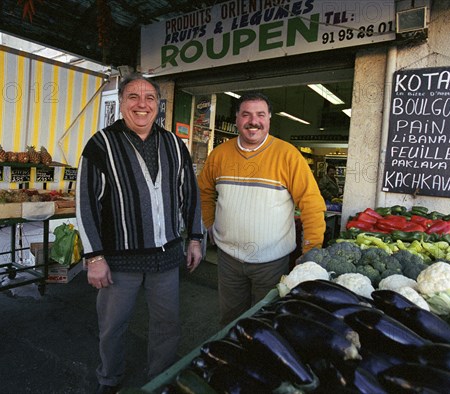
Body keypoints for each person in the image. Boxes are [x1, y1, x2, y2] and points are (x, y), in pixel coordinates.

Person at [76, 73, 204, 394]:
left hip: (167, 256)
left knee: (167, 325)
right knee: (113, 326)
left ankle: (160, 377)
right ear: (121, 104)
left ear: (158, 105)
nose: (142, 104)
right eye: (133, 96)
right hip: (119, 259)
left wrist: (195, 238)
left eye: (149, 97)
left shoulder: (175, 144)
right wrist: (94, 257)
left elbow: (190, 193)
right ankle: (110, 378)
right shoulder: (101, 144)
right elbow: (86, 203)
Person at [198, 92, 326, 326]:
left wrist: (311, 249)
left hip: (272, 262)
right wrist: (209, 224)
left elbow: (312, 203)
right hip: (228, 260)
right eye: (246, 114)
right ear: (237, 119)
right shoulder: (219, 154)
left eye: (260, 115)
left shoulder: (288, 155)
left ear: (269, 119)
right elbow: (204, 191)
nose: (253, 121)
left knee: (266, 322)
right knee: (230, 321)